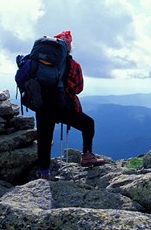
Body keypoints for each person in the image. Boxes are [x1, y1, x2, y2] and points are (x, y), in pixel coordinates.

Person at [36, 30, 105, 180]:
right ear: (68, 46)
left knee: (44, 138)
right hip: (62, 106)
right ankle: (87, 156)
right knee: (88, 124)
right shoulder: (73, 65)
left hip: (40, 104)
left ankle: (44, 172)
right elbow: (78, 88)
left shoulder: (38, 61)